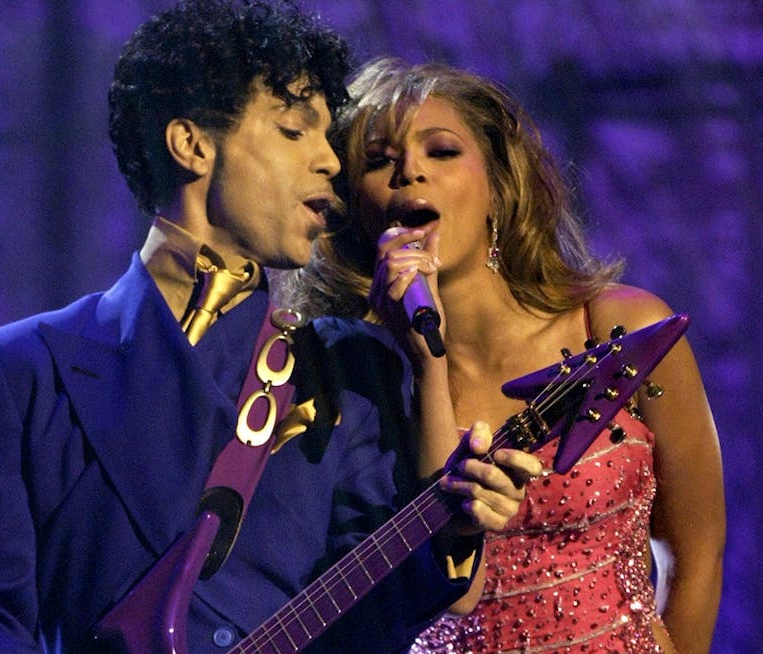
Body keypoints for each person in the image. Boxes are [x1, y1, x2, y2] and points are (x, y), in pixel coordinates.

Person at [0, 6, 543, 653]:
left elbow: (376, 613)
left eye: (329, 138)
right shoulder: (31, 364)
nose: (331, 161)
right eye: (294, 131)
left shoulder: (349, 368)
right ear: (192, 144)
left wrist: (453, 529)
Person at [282, 57, 725, 653]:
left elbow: (696, 555)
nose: (409, 172)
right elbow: (436, 573)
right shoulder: (351, 378)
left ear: (496, 186)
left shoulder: (621, 328)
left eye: (440, 151)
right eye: (379, 161)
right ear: (356, 211)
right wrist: (427, 365)